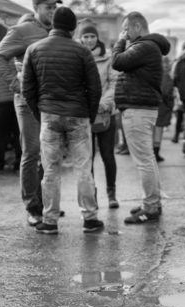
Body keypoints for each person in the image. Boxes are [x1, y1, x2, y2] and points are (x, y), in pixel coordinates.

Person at [22, 6, 103, 235]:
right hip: (78, 116)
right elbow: (94, 88)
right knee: (83, 169)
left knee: (50, 171)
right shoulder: (82, 52)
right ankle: (90, 218)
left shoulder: (34, 49)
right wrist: (89, 114)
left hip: (49, 116)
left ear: (53, 25)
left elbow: (27, 88)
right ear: (73, 27)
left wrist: (41, 113)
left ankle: (49, 221)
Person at [0, 2, 59, 227]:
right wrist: (16, 84)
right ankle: (32, 206)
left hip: (50, 101)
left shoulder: (56, 31)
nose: (52, 10)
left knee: (49, 153)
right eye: (48, 6)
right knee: (31, 151)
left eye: (55, 6)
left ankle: (46, 202)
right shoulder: (22, 30)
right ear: (37, 6)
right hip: (28, 102)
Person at [111, 11, 170, 224]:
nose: (124, 33)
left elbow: (117, 61)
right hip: (141, 109)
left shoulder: (144, 47)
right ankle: (151, 201)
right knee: (147, 159)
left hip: (137, 109)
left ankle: (151, 207)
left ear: (137, 27)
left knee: (144, 160)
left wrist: (119, 42)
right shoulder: (148, 47)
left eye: (126, 28)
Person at [78, 20, 119, 209]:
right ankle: (91, 195)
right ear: (80, 38)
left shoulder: (108, 58)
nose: (89, 40)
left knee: (108, 155)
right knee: (87, 159)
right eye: (85, 36)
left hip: (105, 114)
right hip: (84, 115)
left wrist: (103, 103)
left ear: (97, 38)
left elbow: (114, 83)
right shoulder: (76, 56)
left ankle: (111, 193)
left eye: (92, 36)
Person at [153, 56, 174, 163]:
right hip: (162, 106)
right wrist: (170, 105)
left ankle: (153, 153)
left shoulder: (153, 74)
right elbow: (167, 93)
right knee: (158, 130)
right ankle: (156, 154)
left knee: (152, 130)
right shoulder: (166, 77)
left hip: (152, 105)